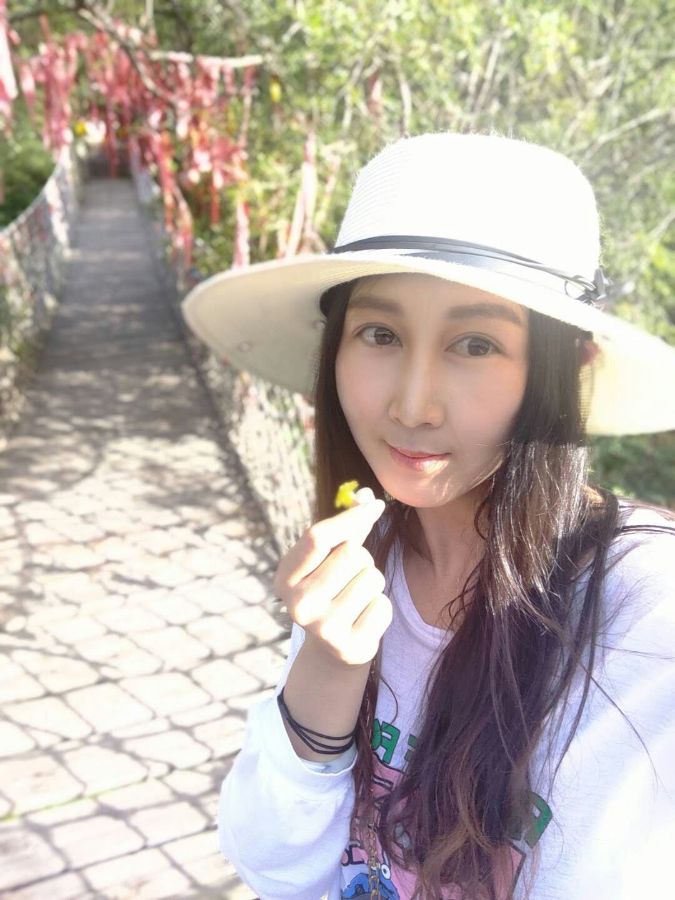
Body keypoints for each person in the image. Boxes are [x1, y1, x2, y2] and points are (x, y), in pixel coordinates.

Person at [181, 133, 675, 899]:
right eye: (379, 334)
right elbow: (275, 868)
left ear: (566, 374)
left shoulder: (644, 615)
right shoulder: (361, 567)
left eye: (474, 343)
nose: (412, 405)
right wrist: (328, 665)